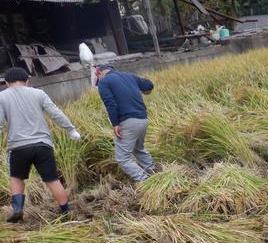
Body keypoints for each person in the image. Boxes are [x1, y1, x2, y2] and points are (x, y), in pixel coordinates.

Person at [0, 67, 80, 222]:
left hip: (18, 147)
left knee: (16, 178)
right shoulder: (38, 93)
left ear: (6, 82)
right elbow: (55, 112)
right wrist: (71, 129)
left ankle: (17, 210)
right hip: (43, 145)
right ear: (27, 80)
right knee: (52, 180)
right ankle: (66, 212)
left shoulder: (2, 97)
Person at [95, 64, 157, 181]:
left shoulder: (104, 82)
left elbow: (110, 104)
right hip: (143, 119)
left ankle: (145, 180)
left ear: (100, 73)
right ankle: (155, 174)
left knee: (123, 158)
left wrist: (115, 124)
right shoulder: (129, 76)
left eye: (96, 76)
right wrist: (145, 90)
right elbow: (148, 85)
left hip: (128, 122)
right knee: (138, 149)